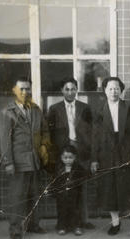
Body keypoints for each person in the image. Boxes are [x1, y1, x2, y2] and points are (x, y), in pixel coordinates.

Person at [91, 77, 130, 239]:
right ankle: (115, 224)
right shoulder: (99, 110)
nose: (113, 91)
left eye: (116, 88)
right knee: (109, 188)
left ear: (121, 90)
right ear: (105, 91)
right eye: (110, 88)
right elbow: (95, 137)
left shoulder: (129, 107)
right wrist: (94, 159)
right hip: (106, 154)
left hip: (126, 153)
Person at [0, 77, 50, 239]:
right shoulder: (7, 112)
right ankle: (15, 228)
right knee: (17, 196)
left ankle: (34, 225)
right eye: (21, 89)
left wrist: (43, 150)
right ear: (14, 90)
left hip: (35, 161)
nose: (25, 92)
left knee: (35, 195)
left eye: (27, 89)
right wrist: (9, 162)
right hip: (18, 163)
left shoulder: (36, 110)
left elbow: (44, 131)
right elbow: (5, 140)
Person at [47, 77, 95, 229]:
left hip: (81, 151)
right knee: (63, 188)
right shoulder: (54, 109)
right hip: (64, 153)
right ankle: (63, 223)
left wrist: (89, 151)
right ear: (62, 90)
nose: (70, 92)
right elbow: (50, 132)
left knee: (81, 186)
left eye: (73, 88)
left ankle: (82, 221)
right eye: (67, 89)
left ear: (76, 90)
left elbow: (91, 131)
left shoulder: (85, 108)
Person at [49, 145, 87, 236]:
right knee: (62, 210)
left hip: (75, 194)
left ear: (74, 157)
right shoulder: (59, 168)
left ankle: (76, 227)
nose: (68, 160)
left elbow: (83, 177)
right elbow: (55, 180)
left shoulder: (78, 168)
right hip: (62, 195)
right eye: (65, 158)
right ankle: (62, 227)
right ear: (61, 158)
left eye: (70, 158)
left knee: (75, 210)